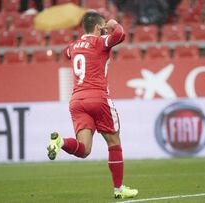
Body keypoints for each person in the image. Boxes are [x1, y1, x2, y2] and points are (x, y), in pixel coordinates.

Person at [46, 11, 138, 199]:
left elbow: (67, 53)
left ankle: (60, 141)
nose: (104, 30)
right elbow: (120, 35)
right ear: (98, 27)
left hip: (77, 101)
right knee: (114, 142)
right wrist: (113, 25)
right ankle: (119, 190)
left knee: (84, 149)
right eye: (102, 27)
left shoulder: (73, 47)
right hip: (98, 98)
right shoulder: (100, 42)